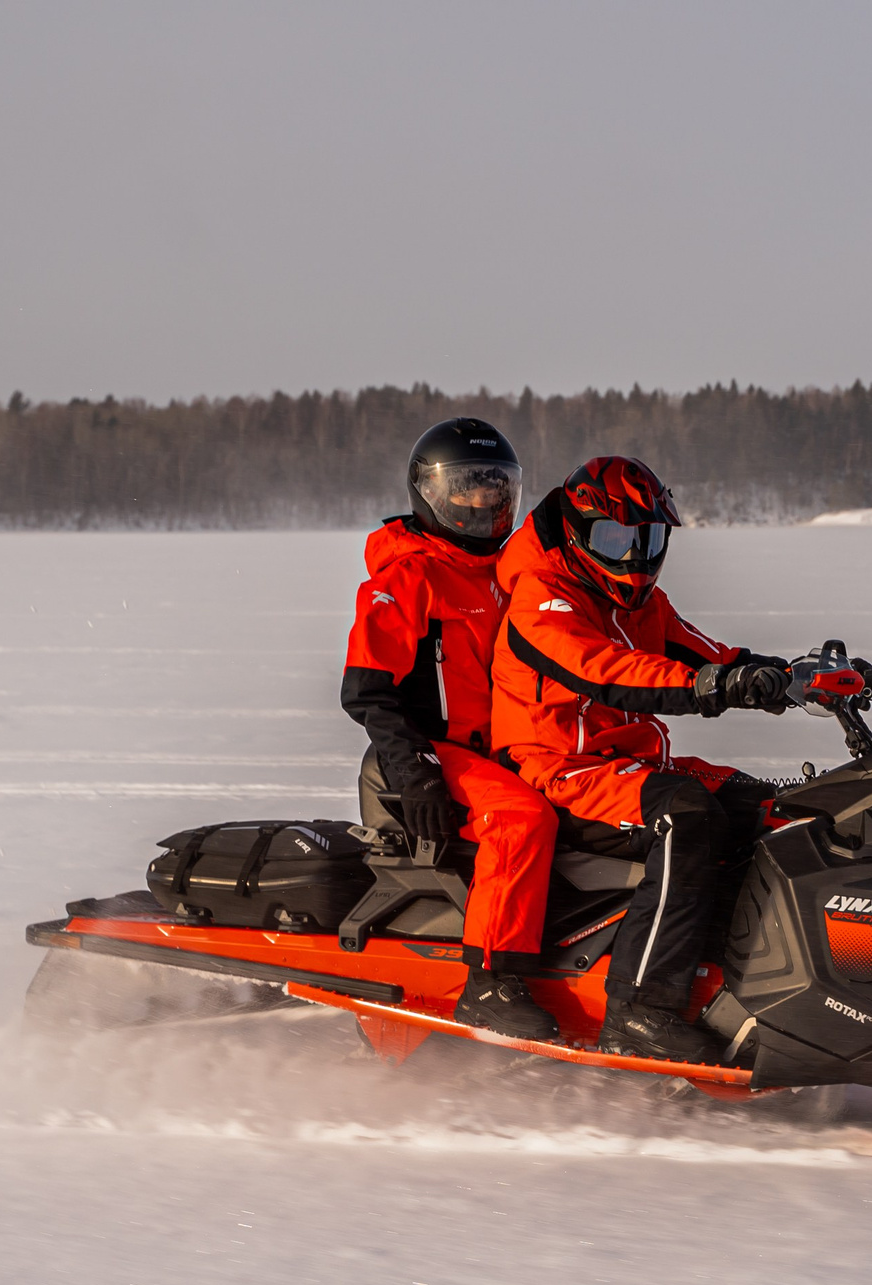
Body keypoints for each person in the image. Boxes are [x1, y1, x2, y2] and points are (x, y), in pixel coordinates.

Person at [490, 456, 795, 1063]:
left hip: (625, 764)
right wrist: (711, 687)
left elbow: (709, 653)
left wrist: (794, 677)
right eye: (615, 538)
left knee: (766, 805)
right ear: (578, 534)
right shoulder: (543, 598)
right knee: (687, 816)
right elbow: (606, 672)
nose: (633, 557)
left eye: (647, 538)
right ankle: (640, 1007)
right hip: (558, 767)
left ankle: (744, 982)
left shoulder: (640, 603)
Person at [340, 418, 561, 1042]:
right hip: (443, 751)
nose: (483, 502)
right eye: (466, 488)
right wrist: (415, 770)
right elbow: (367, 691)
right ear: (430, 492)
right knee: (522, 822)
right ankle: (490, 982)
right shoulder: (408, 576)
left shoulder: (512, 572)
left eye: (495, 488)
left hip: (513, 746)